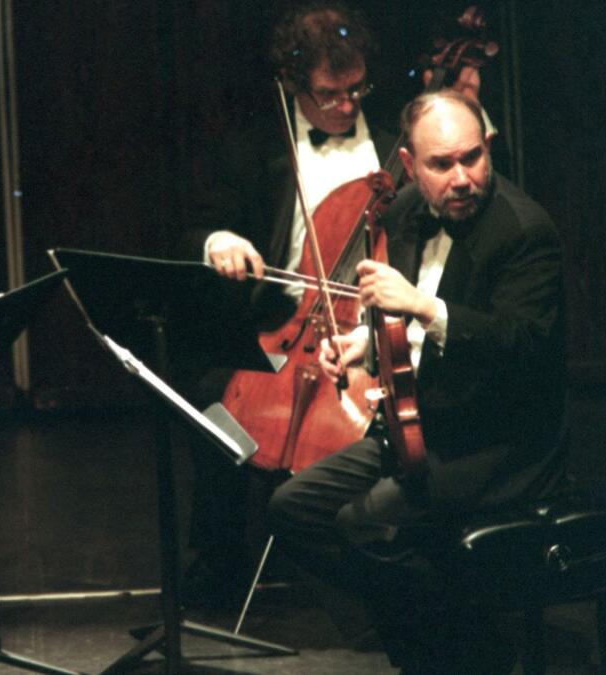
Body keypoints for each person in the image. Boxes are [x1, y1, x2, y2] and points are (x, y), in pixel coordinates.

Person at [178, 1, 486, 607]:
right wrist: (223, 242)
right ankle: (217, 564)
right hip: (281, 323)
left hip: (377, 324)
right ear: (294, 85)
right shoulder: (251, 150)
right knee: (210, 400)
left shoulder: (402, 150)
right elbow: (199, 230)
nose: (347, 106)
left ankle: (381, 572)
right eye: (329, 95)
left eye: (356, 90)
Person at [266, 90, 565, 673]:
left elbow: (523, 345)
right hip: (415, 427)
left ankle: (447, 654)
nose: (461, 178)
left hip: (498, 443)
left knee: (368, 522)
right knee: (291, 508)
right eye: (441, 164)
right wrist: (362, 348)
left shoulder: (526, 231)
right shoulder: (402, 213)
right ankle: (448, 639)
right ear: (409, 165)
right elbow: (400, 329)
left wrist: (427, 308)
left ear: (489, 148)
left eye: (472, 158)